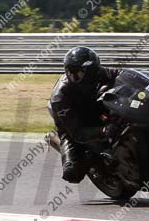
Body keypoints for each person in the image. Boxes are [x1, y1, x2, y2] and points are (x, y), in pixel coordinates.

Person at [48, 47, 121, 183]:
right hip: (74, 125)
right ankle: (56, 139)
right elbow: (77, 133)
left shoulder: (98, 72)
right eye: (76, 72)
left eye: (89, 71)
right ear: (68, 72)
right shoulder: (60, 97)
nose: (86, 76)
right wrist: (103, 131)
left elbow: (121, 74)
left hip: (96, 108)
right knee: (72, 173)